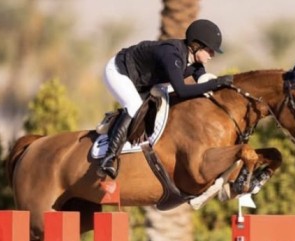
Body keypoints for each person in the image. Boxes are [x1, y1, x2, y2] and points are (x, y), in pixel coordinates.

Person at [96, 19, 233, 179]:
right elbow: (182, 90)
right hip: (118, 71)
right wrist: (215, 84)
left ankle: (120, 125)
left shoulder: (195, 62)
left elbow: (203, 79)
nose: (212, 55)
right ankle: (108, 158)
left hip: (141, 81)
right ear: (196, 45)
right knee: (134, 105)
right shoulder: (172, 54)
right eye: (209, 50)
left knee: (163, 99)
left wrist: (220, 86)